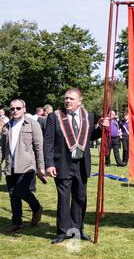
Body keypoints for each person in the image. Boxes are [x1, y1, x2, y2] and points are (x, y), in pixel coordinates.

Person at [44, 88, 107, 244]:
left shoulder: (89, 116)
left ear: (80, 101)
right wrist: (49, 164)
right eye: (66, 98)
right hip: (62, 164)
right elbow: (48, 142)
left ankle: (77, 229)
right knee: (64, 199)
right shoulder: (54, 117)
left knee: (80, 199)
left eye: (71, 99)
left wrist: (101, 128)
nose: (67, 101)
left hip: (81, 165)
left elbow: (91, 136)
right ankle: (63, 232)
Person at [0, 99, 46, 232]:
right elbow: (2, 147)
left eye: (18, 108)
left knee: (22, 191)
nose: (15, 111)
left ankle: (36, 207)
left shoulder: (32, 124)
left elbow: (39, 147)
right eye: (12, 109)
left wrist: (40, 167)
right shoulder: (6, 126)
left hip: (27, 166)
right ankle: (17, 222)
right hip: (10, 166)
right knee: (13, 194)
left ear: (24, 109)